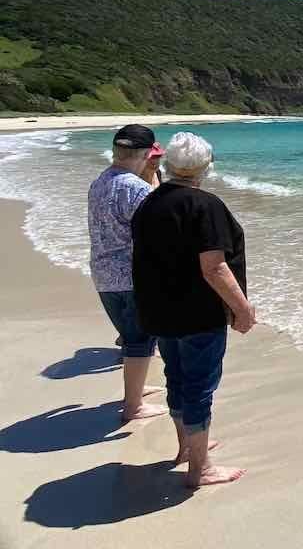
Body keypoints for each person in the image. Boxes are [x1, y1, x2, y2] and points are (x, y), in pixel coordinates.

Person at [132, 132, 256, 488]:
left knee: (177, 378)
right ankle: (200, 468)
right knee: (199, 386)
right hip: (197, 313)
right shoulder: (203, 205)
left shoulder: (149, 203)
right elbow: (214, 267)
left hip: (159, 309)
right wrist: (242, 308)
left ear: (169, 164)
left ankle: (188, 447)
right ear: (205, 167)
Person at [87, 124, 166, 421]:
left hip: (102, 274)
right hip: (132, 276)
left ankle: (137, 388)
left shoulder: (99, 182)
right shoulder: (137, 189)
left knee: (131, 337)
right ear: (146, 154)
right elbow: (157, 233)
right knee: (140, 341)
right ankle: (133, 406)